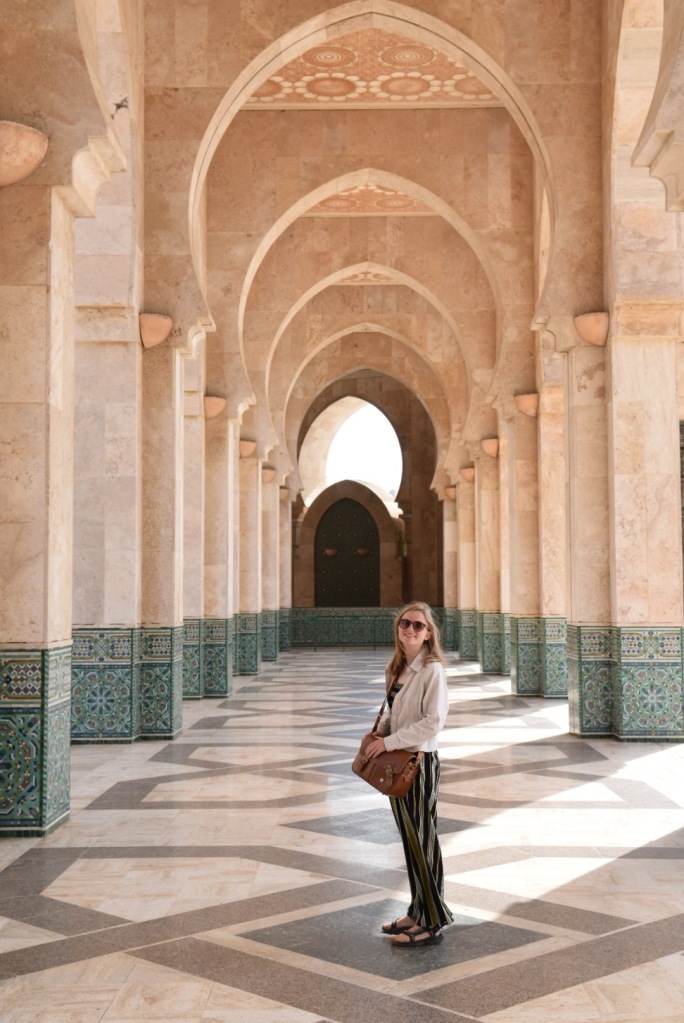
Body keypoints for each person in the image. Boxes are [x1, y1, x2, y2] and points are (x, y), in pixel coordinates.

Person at [364, 601, 453, 947]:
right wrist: (380, 733)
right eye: (405, 623)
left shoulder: (432, 670)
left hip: (419, 763)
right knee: (410, 838)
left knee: (423, 840)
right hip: (397, 765)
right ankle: (417, 911)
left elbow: (433, 722)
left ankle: (432, 921)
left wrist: (390, 742)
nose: (410, 629)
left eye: (418, 625)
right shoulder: (396, 668)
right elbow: (392, 711)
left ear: (429, 633)